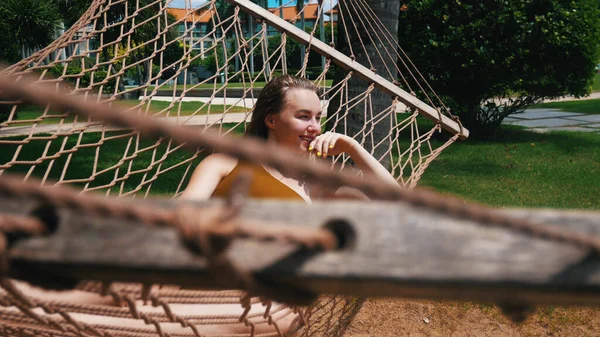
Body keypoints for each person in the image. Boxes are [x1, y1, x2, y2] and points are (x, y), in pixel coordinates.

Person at [181, 75, 397, 203]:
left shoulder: (316, 185)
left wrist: (353, 147)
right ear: (271, 121)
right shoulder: (223, 164)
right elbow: (179, 217)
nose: (315, 127)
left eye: (318, 117)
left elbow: (397, 200)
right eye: (304, 116)